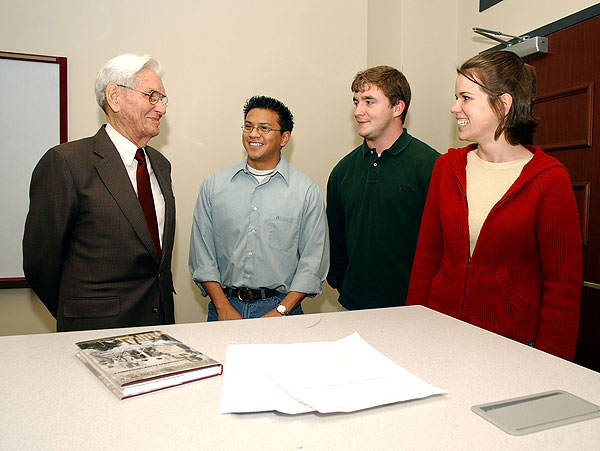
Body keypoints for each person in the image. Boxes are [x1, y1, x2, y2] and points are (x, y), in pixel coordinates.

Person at [406, 51, 582, 361]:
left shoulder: (549, 179)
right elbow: (426, 259)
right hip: (439, 332)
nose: (454, 107)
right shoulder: (447, 168)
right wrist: (412, 332)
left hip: (510, 346)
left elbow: (563, 290)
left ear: (503, 103)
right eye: (456, 97)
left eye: (465, 97)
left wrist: (552, 369)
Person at [23, 54, 176, 332]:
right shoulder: (67, 163)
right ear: (114, 97)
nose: (161, 109)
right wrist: (80, 312)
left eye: (162, 99)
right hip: (97, 332)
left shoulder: (161, 166)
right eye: (152, 96)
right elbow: (39, 264)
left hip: (160, 328)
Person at [189, 95, 329, 320]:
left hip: (282, 308)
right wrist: (222, 307)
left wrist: (280, 311)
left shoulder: (305, 192)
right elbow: (203, 255)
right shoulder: (214, 186)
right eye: (248, 126)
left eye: (264, 128)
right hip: (224, 306)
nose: (253, 134)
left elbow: (313, 263)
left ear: (284, 137)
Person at [326, 66, 439, 311]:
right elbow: (335, 240)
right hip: (353, 306)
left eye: (369, 102)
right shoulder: (342, 171)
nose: (358, 111)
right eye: (356, 102)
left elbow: (442, 245)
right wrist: (344, 285)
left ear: (397, 108)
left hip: (414, 309)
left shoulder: (431, 166)